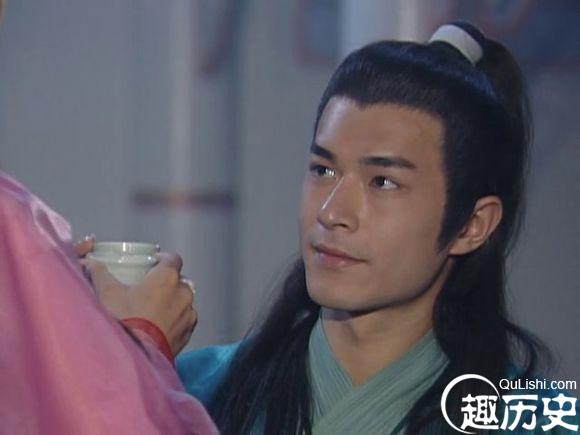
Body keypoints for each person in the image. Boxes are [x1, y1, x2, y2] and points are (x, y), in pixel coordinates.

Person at [163, 22, 577, 434]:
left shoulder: (542, 424)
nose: (332, 212)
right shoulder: (192, 392)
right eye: (323, 170)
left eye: (383, 182)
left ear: (472, 225)